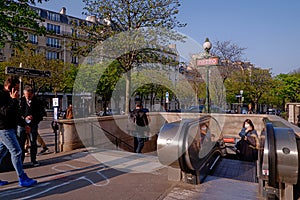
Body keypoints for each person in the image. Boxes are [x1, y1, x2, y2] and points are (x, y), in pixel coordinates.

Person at [0, 76, 37, 186]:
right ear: (9, 86)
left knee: (1, 153)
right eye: (15, 88)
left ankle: (22, 178)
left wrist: (24, 124)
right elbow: (4, 112)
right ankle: (22, 178)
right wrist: (13, 100)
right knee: (16, 152)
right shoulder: (1, 96)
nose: (17, 91)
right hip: (4, 128)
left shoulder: (10, 97)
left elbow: (15, 114)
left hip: (9, 127)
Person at [19, 85, 45, 167]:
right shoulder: (21, 101)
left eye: (29, 96)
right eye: (26, 96)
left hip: (33, 124)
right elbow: (17, 113)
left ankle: (33, 160)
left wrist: (33, 117)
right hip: (22, 124)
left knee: (33, 142)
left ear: (32, 94)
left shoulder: (37, 102)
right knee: (21, 143)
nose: (27, 98)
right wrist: (24, 117)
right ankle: (21, 161)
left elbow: (42, 114)